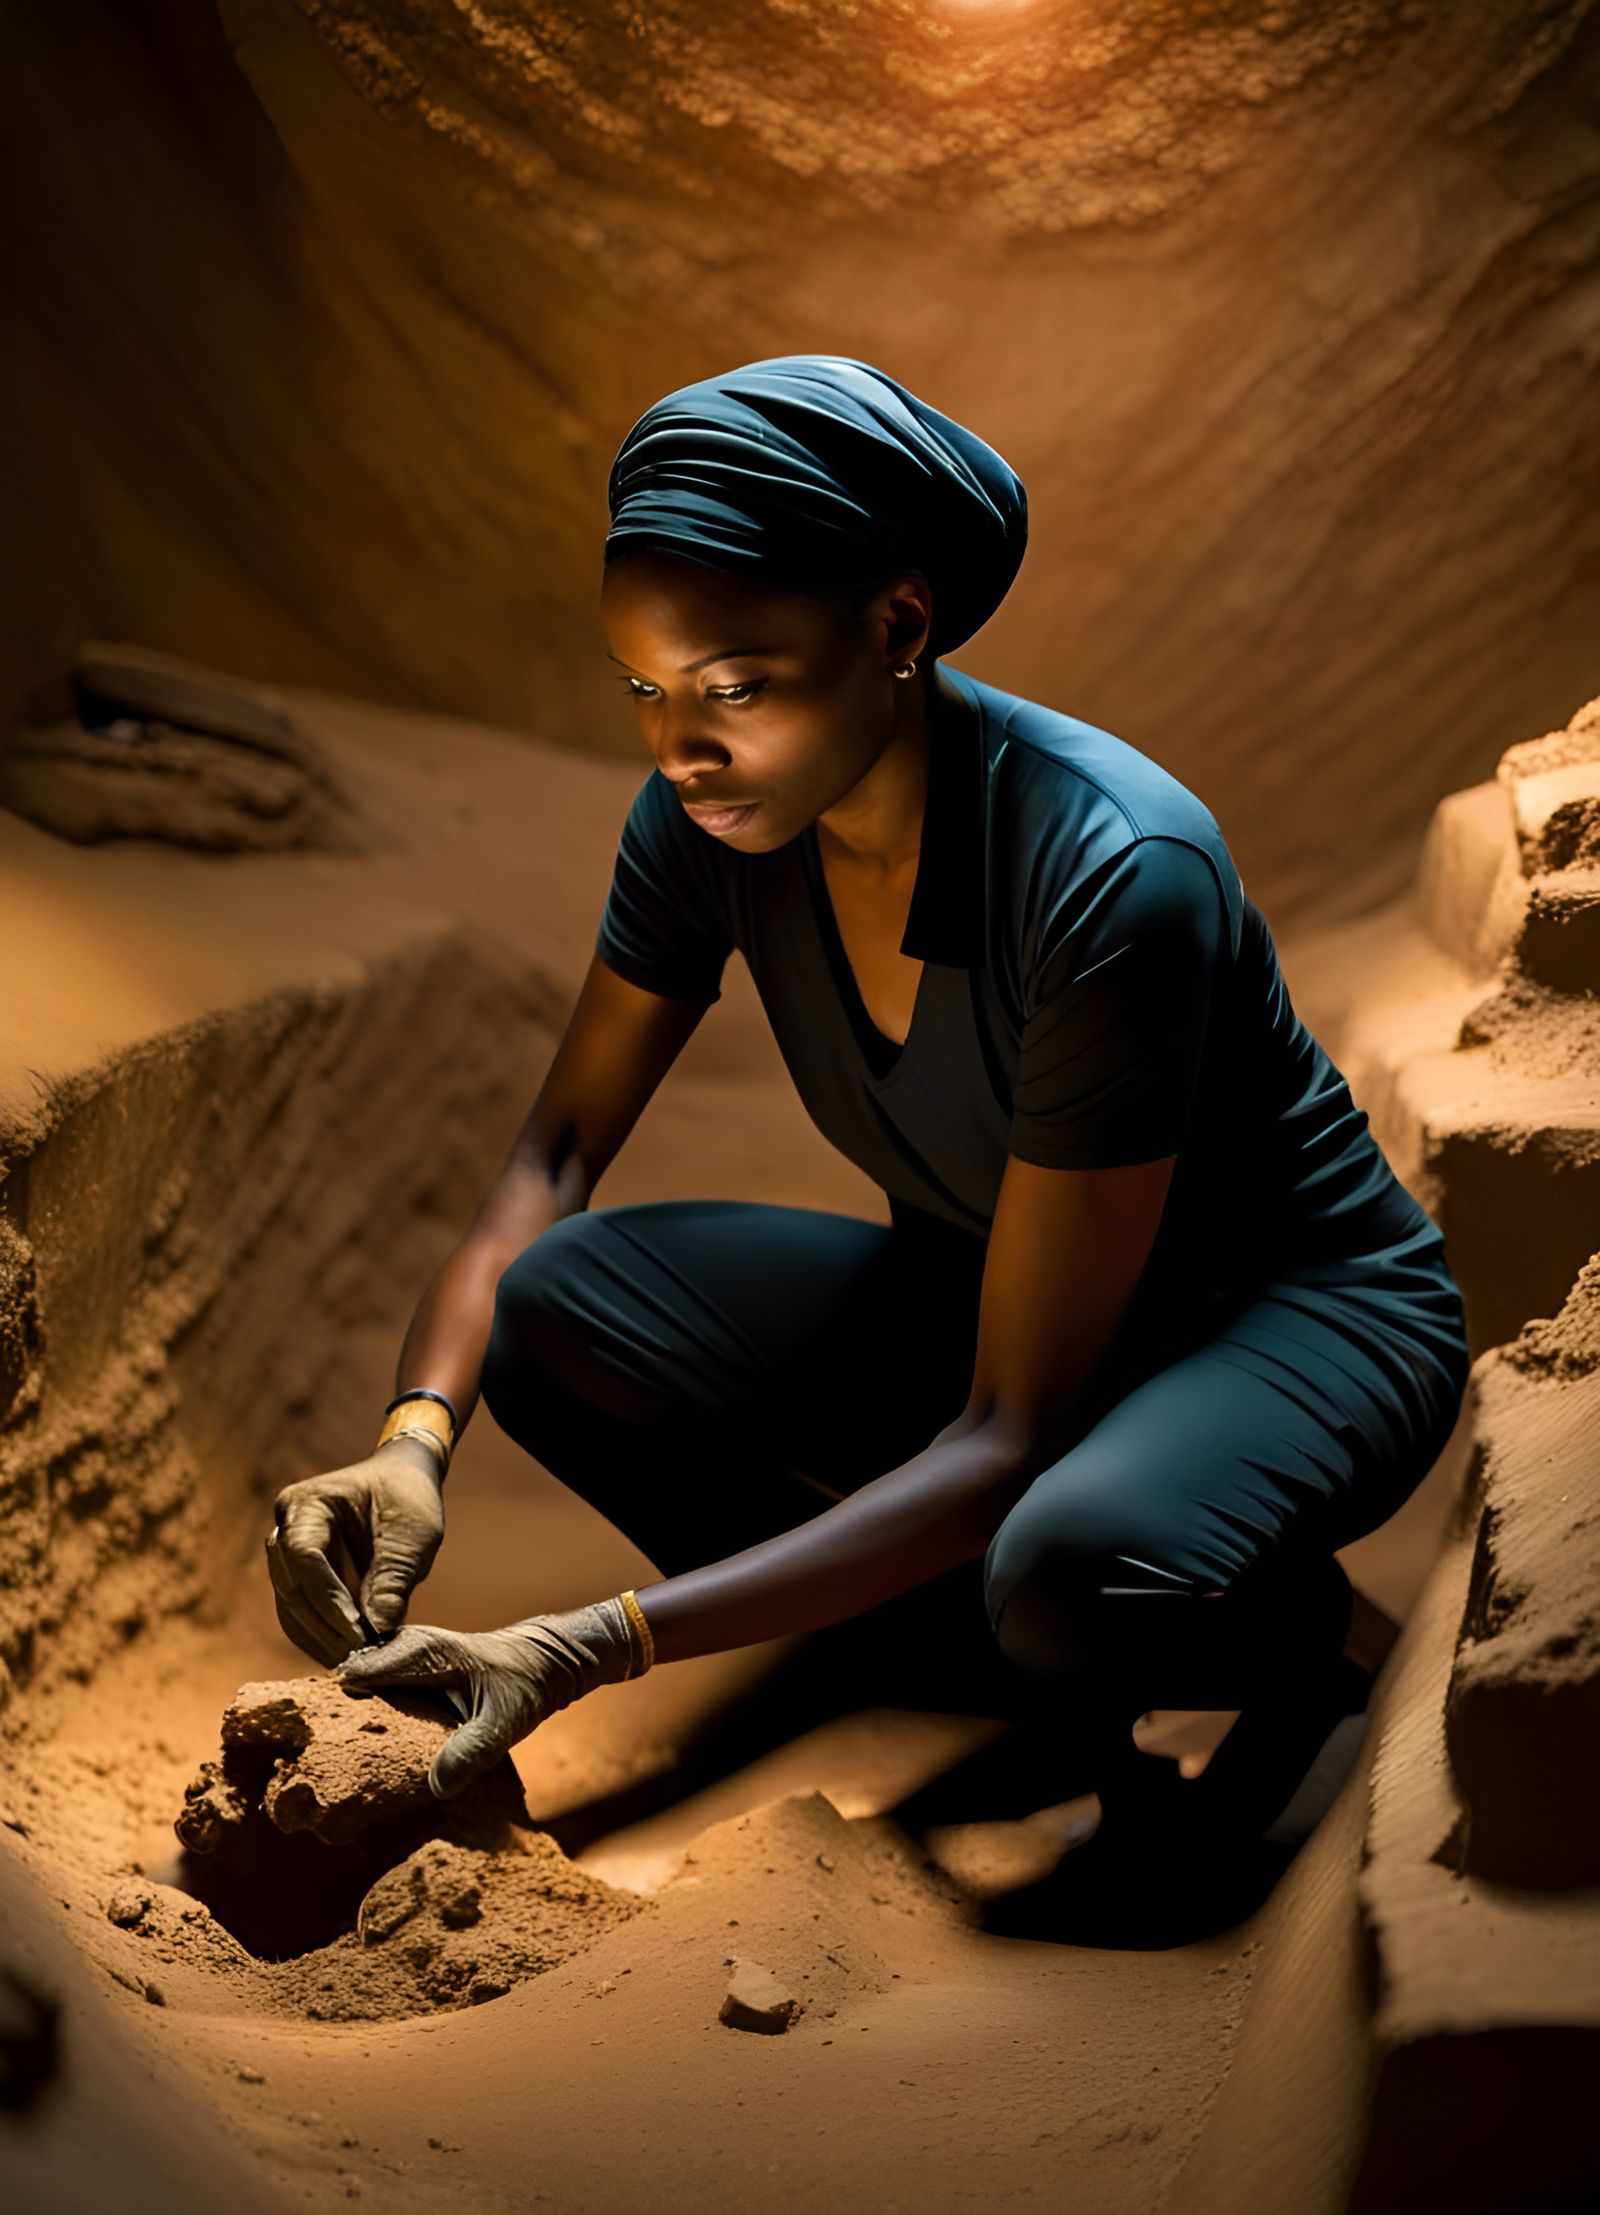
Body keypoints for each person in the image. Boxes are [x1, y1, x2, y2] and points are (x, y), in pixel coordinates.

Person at [264, 354, 1471, 1944]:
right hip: (999, 1297)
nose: (679, 746)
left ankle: (1268, 1637)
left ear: (898, 627)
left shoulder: (1116, 870)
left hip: (1287, 1322)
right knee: (559, 1310)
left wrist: (597, 1643)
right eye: (646, 689)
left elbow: (1009, 1423)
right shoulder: (708, 827)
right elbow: (551, 1156)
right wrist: (415, 1437)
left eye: (739, 684)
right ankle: (985, 1628)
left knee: (1061, 1559)